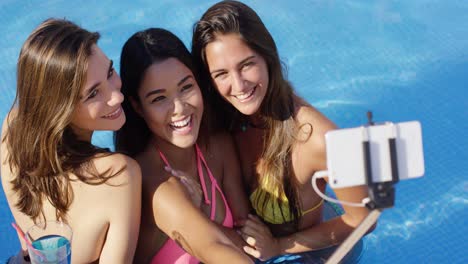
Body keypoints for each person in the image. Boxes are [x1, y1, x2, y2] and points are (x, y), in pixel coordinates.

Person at [192, 0, 372, 261]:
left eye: (246, 65)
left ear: (267, 57)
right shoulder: (225, 118)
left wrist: (279, 246)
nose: (238, 85)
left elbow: (365, 220)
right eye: (221, 73)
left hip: (317, 253)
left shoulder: (321, 138)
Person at [0, 18, 142, 263]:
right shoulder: (118, 174)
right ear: (59, 108)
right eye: (94, 93)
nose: (117, 96)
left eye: (110, 72)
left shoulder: (12, 128)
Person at [115, 28, 252, 263]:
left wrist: (203, 217)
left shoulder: (218, 146)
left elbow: (249, 236)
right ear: (138, 107)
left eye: (186, 87)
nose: (179, 108)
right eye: (159, 99)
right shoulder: (152, 179)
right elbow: (214, 246)